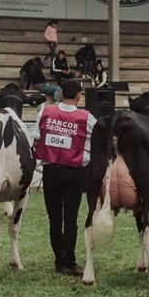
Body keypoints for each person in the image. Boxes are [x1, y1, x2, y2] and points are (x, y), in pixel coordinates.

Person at [31, 79, 94, 276]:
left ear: (60, 94)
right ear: (78, 96)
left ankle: (59, 261)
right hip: (74, 173)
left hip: (50, 172)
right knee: (71, 218)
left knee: (54, 219)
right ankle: (70, 260)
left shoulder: (45, 112)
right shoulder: (87, 118)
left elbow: (36, 140)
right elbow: (100, 140)